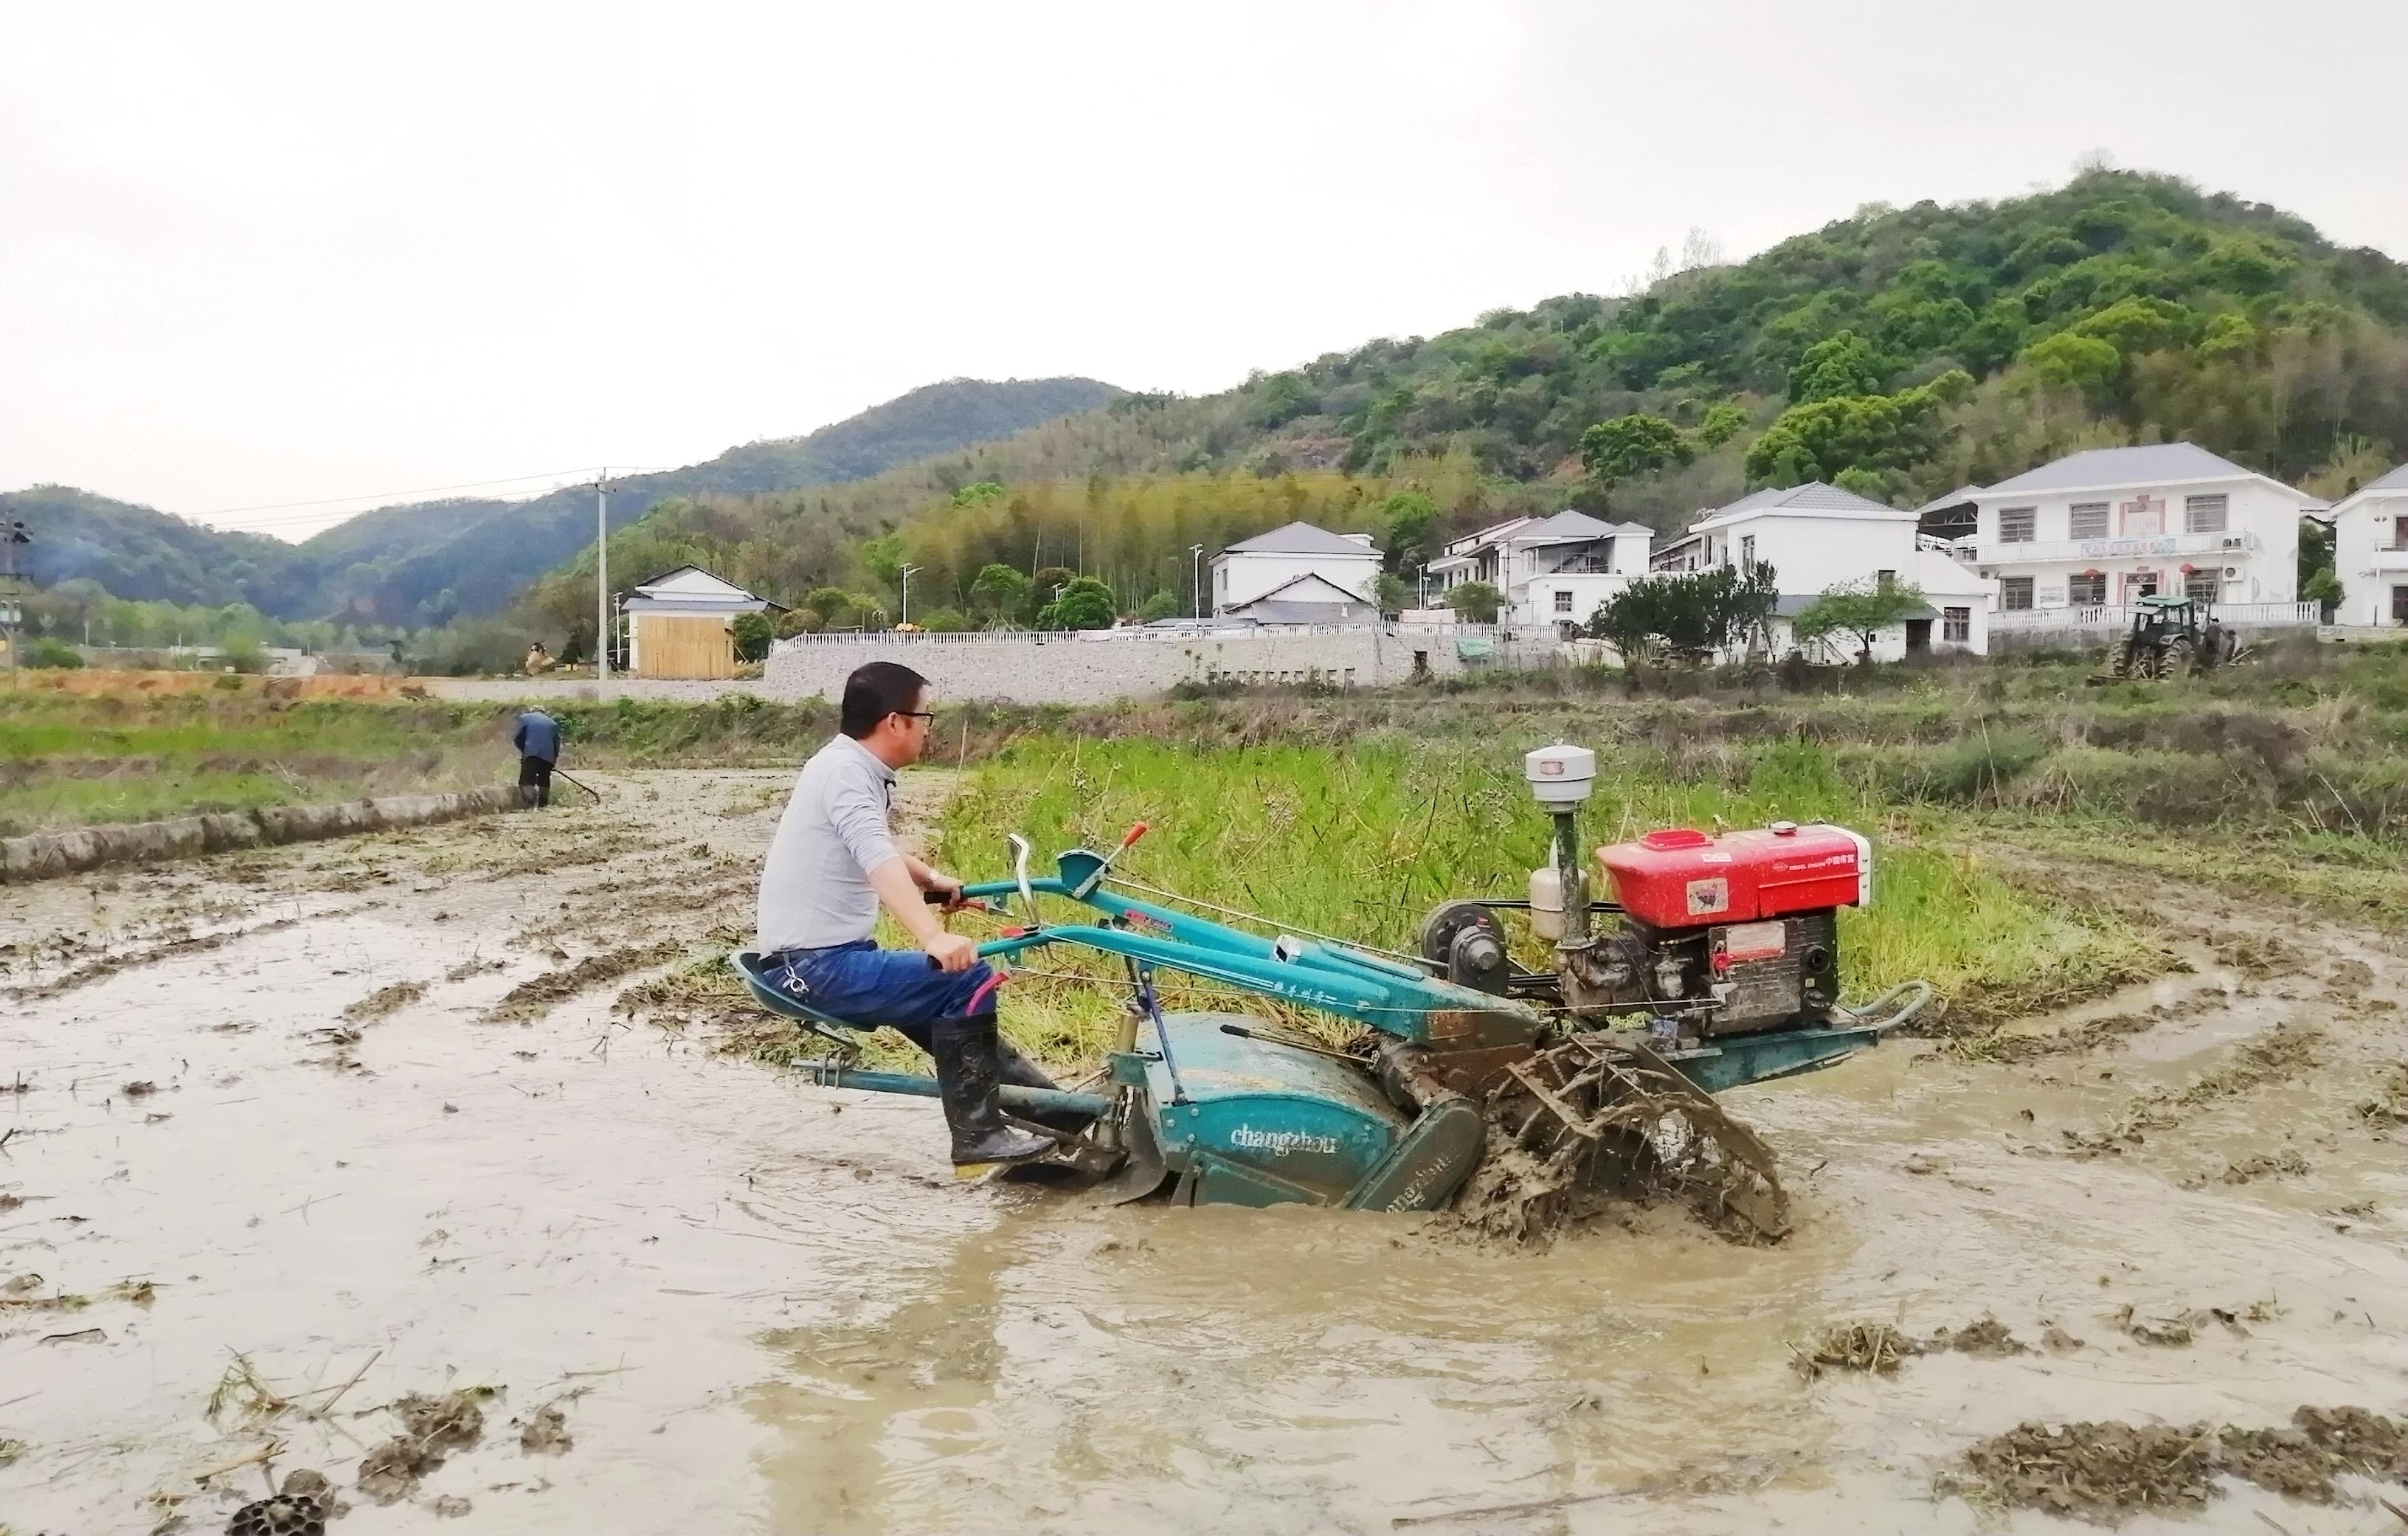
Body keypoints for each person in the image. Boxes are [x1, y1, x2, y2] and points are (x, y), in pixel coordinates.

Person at [754, 662, 1059, 1166]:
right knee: (964, 979)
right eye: (925, 717)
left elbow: (870, 846)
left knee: (949, 1005)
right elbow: (873, 856)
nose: (927, 729)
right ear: (895, 721)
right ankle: (979, 1138)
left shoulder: (845, 765)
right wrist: (934, 936)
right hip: (812, 968)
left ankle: (1061, 1115)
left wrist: (929, 877)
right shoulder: (846, 772)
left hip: (814, 961)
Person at [512, 708, 561, 808]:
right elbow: (557, 744)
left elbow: (517, 738)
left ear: (533, 711)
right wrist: (553, 761)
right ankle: (543, 805)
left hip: (531, 753)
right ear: (544, 712)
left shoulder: (524, 718)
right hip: (548, 756)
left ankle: (530, 803)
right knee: (544, 780)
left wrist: (524, 750)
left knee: (526, 782)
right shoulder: (552, 723)